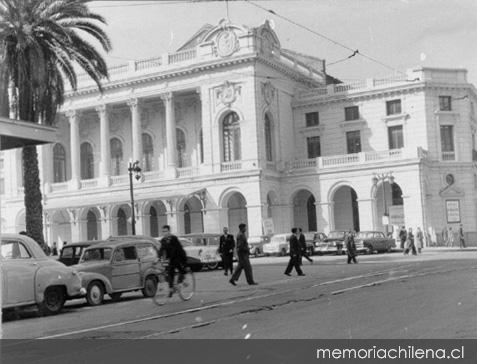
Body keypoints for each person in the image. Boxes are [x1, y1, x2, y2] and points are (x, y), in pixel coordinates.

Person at [158, 225, 188, 297]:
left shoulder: (174, 238)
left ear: (169, 231)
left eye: (165, 231)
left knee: (182, 270)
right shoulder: (163, 240)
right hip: (170, 259)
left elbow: (178, 249)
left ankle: (181, 282)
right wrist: (158, 257)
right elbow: (161, 250)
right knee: (170, 273)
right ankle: (171, 289)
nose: (164, 233)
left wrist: (183, 259)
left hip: (178, 257)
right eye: (163, 231)